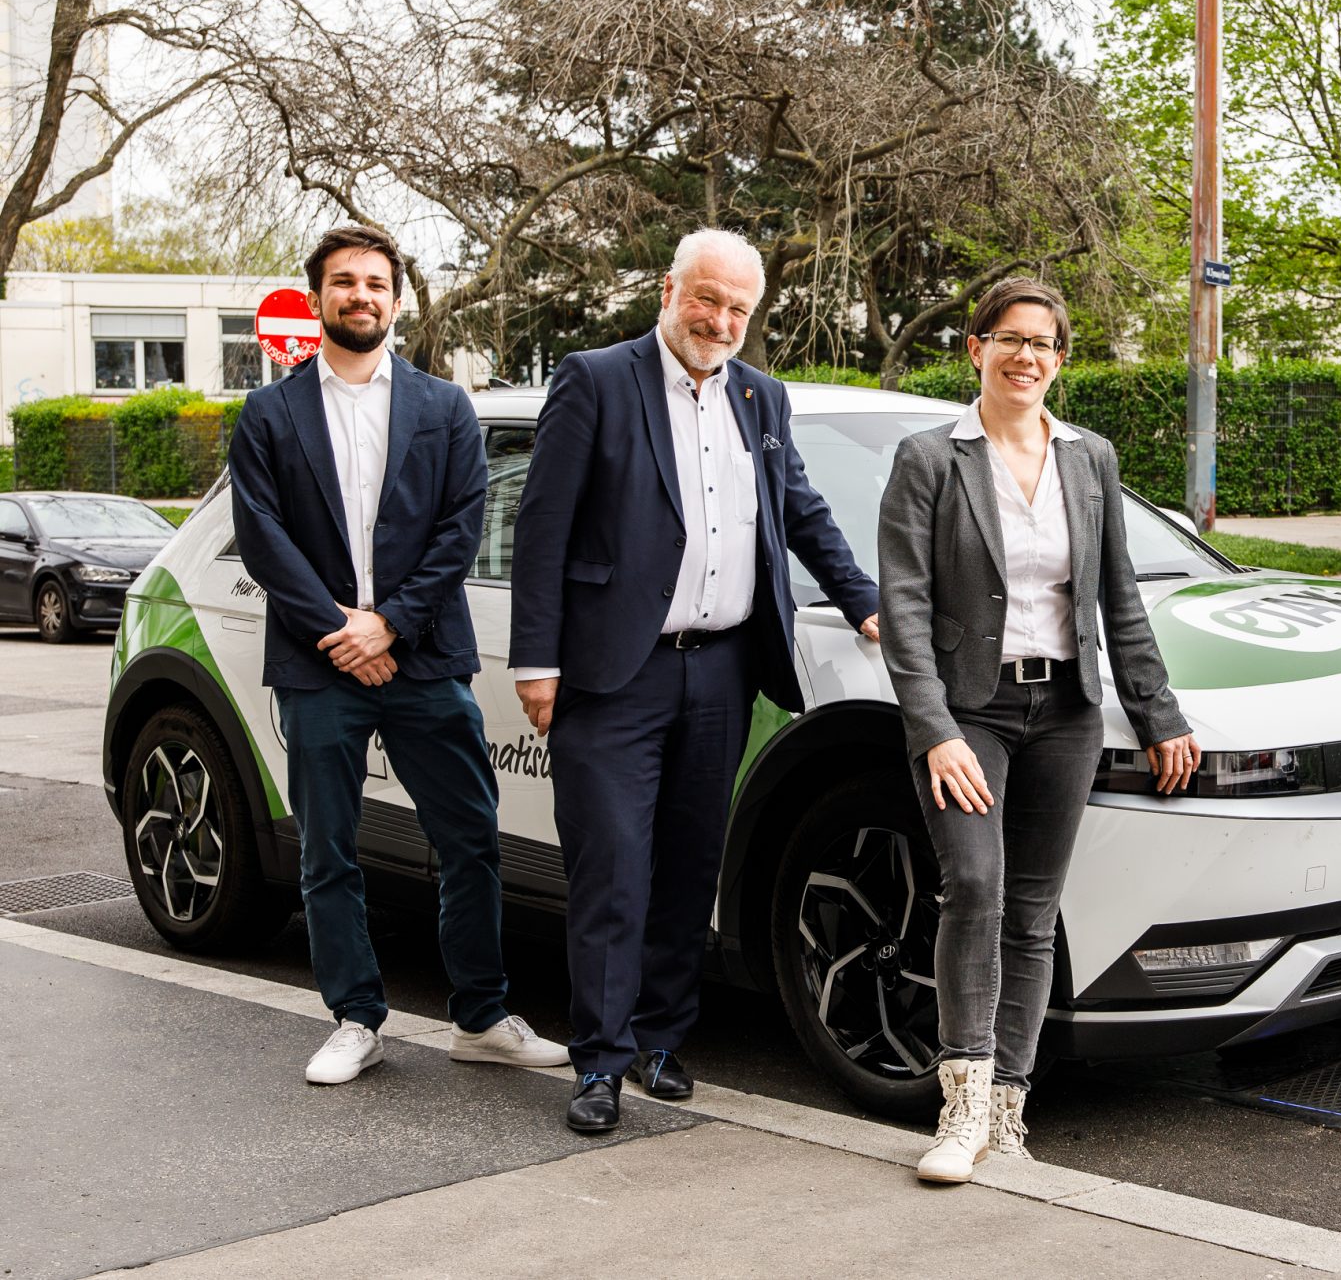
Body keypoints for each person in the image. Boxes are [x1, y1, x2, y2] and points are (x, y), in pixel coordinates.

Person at [510, 228, 880, 1134]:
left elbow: (801, 511)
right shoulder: (596, 379)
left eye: (739, 309)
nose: (720, 320)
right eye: (707, 299)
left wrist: (866, 602)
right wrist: (536, 658)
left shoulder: (762, 397)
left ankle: (661, 1041)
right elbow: (542, 525)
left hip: (720, 673)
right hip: (612, 676)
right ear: (670, 288)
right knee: (612, 870)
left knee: (687, 868)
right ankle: (598, 1063)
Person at [877, 277, 1202, 1183]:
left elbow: (1118, 596)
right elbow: (902, 607)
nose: (1027, 356)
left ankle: (1009, 1110)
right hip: (968, 712)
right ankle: (961, 1107)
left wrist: (1157, 710)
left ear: (1062, 358)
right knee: (974, 886)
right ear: (975, 347)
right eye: (1009, 338)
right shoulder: (930, 458)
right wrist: (933, 727)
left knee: (1031, 913)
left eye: (1045, 342)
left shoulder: (1089, 457)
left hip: (1064, 711)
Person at [229, 224, 568, 1085]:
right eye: (344, 282)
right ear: (318, 300)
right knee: (327, 850)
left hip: (423, 660)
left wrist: (391, 626)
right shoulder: (270, 413)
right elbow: (262, 537)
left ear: (396, 298)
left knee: (469, 839)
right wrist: (343, 630)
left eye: (376, 283)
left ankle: (482, 1016)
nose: (361, 296)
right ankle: (354, 1016)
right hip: (319, 663)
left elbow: (461, 529)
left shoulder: (443, 407)